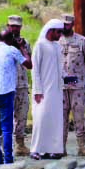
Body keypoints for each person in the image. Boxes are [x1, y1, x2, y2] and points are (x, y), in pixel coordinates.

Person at [0, 29, 32, 165]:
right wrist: (22, 47)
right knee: (6, 129)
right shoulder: (12, 50)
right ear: (10, 39)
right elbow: (29, 64)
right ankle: (9, 160)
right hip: (5, 93)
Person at [59, 13, 85, 156]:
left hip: (78, 87)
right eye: (62, 24)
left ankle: (83, 146)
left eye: (67, 24)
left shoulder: (82, 41)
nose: (64, 26)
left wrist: (80, 77)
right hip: (60, 88)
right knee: (60, 118)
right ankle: (60, 147)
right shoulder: (55, 41)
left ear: (72, 24)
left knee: (79, 116)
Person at [30, 19, 66, 160]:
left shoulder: (57, 47)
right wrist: (38, 90)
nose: (61, 35)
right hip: (43, 91)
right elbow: (35, 70)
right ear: (51, 31)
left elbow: (59, 68)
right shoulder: (40, 45)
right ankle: (35, 150)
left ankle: (53, 150)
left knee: (55, 120)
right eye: (59, 32)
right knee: (41, 119)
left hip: (57, 91)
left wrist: (66, 80)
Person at [7, 15, 32, 157]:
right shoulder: (1, 42)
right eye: (12, 26)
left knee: (22, 116)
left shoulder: (25, 43)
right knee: (6, 117)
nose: (15, 28)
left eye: (17, 26)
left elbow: (29, 63)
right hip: (7, 86)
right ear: (8, 26)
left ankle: (20, 144)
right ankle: (6, 146)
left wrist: (21, 47)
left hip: (22, 85)